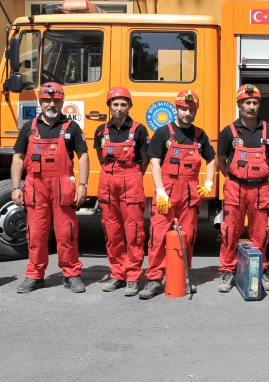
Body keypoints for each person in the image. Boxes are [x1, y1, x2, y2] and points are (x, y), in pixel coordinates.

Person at [11, 82, 89, 293]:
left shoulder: (72, 127)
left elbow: (83, 156)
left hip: (63, 186)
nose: (51, 103)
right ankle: (35, 275)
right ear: (41, 102)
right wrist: (16, 186)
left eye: (55, 100)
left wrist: (83, 184)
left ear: (62, 102)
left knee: (67, 233)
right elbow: (18, 158)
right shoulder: (29, 128)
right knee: (35, 233)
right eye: (47, 100)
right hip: (35, 188)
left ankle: (71, 274)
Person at [142, 90, 216, 299]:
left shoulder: (200, 136)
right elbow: (154, 163)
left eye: (191, 110)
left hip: (190, 194)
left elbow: (211, 159)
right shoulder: (163, 133)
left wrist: (209, 182)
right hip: (166, 192)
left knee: (187, 237)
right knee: (157, 237)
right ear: (176, 109)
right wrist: (160, 192)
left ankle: (182, 277)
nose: (187, 113)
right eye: (183, 108)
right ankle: (154, 279)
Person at [216, 84, 269, 292]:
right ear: (239, 105)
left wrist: (260, 175)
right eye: (247, 103)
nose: (251, 106)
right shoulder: (228, 132)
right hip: (235, 188)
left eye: (255, 102)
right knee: (230, 231)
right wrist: (235, 178)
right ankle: (227, 271)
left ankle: (260, 271)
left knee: (260, 232)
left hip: (260, 189)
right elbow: (221, 161)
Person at [93, 87, 150, 297]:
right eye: (115, 104)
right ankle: (117, 274)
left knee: (134, 232)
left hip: (131, 183)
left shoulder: (139, 129)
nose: (119, 108)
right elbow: (100, 156)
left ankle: (133, 277)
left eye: (123, 104)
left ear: (130, 106)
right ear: (109, 106)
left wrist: (133, 175)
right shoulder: (101, 131)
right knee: (112, 232)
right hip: (108, 184)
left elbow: (144, 159)